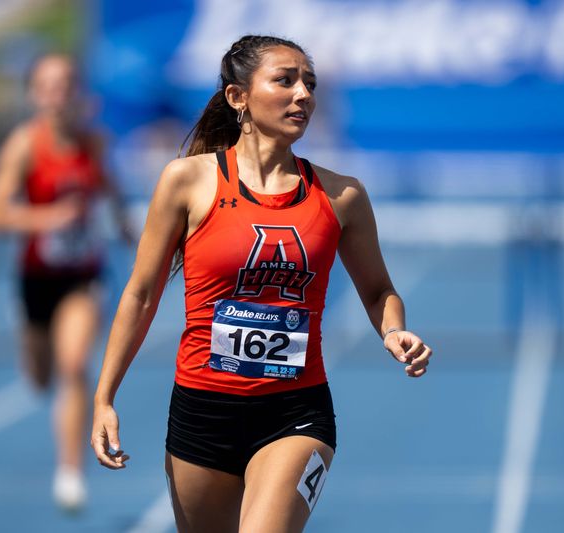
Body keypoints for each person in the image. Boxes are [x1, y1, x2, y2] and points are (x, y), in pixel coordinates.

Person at [90, 35, 432, 532]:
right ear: (238, 96)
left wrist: (393, 330)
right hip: (202, 412)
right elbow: (141, 295)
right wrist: (104, 397)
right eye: (285, 81)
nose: (303, 95)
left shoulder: (342, 195)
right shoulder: (186, 181)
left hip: (296, 412)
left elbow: (379, 290)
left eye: (310, 83)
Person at [0, 53, 132, 512]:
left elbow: (112, 192)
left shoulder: (94, 144)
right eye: (48, 86)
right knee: (40, 378)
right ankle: (28, 330)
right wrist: (49, 218)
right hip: (36, 279)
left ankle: (70, 473)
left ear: (78, 93)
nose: (58, 95)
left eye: (66, 84)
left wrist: (130, 230)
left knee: (73, 367)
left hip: (83, 277)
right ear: (35, 94)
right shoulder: (25, 145)